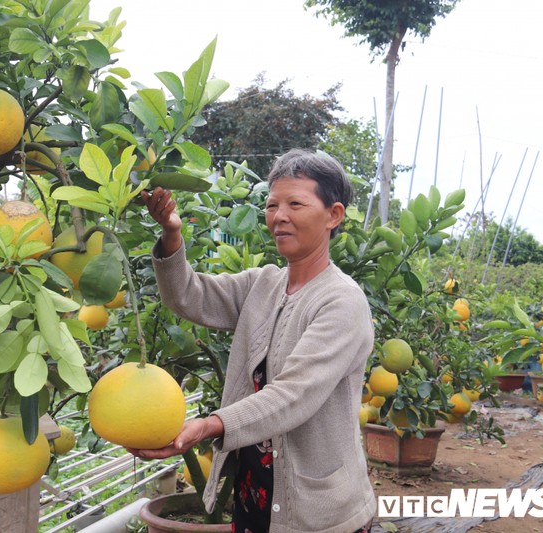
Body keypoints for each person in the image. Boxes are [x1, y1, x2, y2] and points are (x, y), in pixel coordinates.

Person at [134, 149, 376, 533]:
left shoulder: (342, 302)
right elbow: (187, 296)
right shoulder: (262, 284)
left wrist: (210, 425)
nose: (279, 216)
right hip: (256, 496)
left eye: (295, 203)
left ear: (333, 215)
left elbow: (293, 394)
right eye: (272, 204)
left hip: (319, 512)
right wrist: (172, 233)